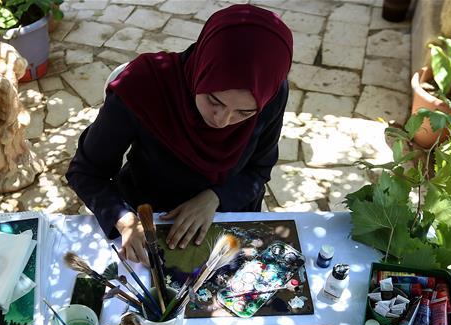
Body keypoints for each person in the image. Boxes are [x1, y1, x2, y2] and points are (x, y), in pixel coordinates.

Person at [65, 5, 294, 265]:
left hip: (229, 216)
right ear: (201, 69)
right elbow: (85, 172)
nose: (223, 120)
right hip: (147, 218)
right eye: (213, 100)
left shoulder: (272, 96)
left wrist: (215, 197)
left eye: (244, 113)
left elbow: (259, 168)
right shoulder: (142, 85)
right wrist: (125, 220)